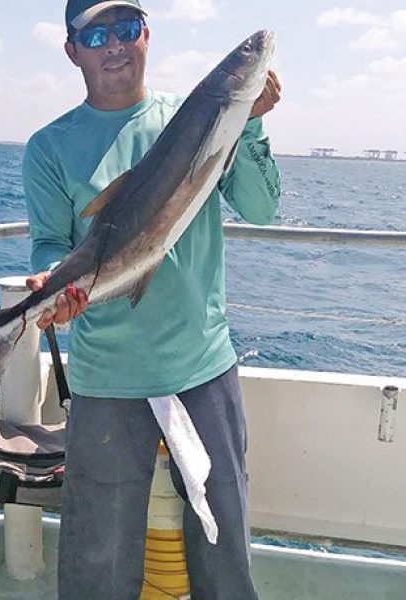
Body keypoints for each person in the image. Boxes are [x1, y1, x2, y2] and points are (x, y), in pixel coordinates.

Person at [22, 1, 281, 598]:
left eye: (126, 28)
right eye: (95, 35)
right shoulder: (50, 147)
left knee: (224, 552)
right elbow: (49, 247)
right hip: (106, 377)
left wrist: (253, 122)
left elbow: (262, 209)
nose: (114, 45)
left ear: (146, 36)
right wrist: (50, 284)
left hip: (202, 364)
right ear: (72, 50)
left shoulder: (192, 116)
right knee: (99, 562)